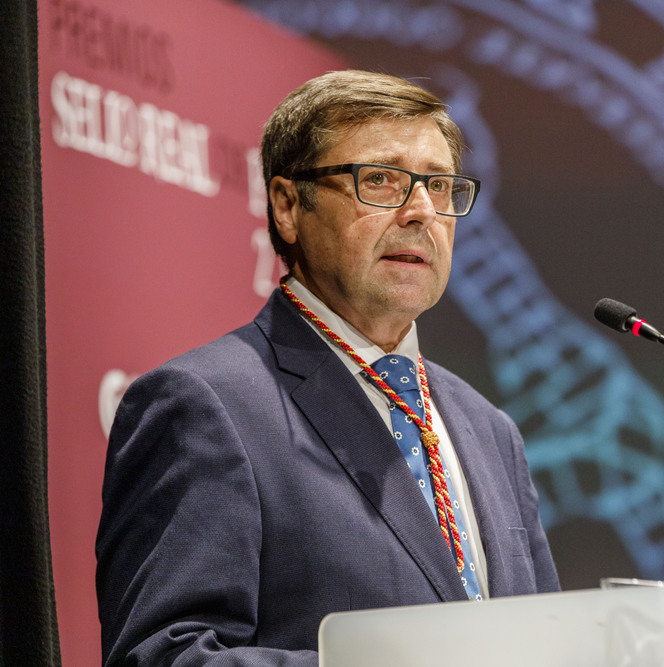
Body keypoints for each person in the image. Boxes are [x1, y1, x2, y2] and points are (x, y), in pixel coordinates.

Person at [96, 69, 560, 665]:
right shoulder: (205, 404)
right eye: (383, 181)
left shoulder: (490, 430)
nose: (421, 211)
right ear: (287, 206)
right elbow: (163, 656)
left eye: (440, 187)